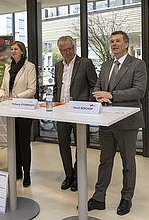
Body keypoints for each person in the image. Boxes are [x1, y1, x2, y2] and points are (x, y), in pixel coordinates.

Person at [88, 31, 147, 216]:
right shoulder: (106, 65)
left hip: (127, 120)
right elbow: (98, 86)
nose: (114, 44)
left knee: (128, 162)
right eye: (112, 41)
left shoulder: (137, 64)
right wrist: (98, 94)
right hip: (106, 120)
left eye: (118, 41)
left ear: (126, 44)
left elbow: (139, 91)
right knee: (104, 160)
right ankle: (99, 198)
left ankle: (126, 198)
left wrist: (112, 95)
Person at [53, 36, 97, 191]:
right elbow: (57, 87)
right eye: (64, 50)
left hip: (79, 111)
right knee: (63, 144)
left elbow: (94, 85)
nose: (68, 52)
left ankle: (78, 176)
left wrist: (89, 105)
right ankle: (68, 175)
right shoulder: (58, 66)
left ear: (74, 47)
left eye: (70, 49)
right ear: (60, 51)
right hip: (62, 111)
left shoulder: (85, 63)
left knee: (80, 145)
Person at [0, 41, 36, 187]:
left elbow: (32, 89)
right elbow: (3, 87)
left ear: (22, 51)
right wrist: (3, 95)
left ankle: (27, 173)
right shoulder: (8, 68)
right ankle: (17, 171)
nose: (13, 51)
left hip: (24, 108)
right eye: (12, 49)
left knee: (23, 142)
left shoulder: (30, 67)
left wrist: (16, 97)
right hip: (11, 109)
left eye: (16, 49)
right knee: (13, 142)